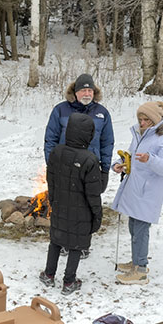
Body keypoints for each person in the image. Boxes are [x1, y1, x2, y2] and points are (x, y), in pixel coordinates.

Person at [111, 101, 163, 286]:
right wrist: (119, 163)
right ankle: (136, 261)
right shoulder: (141, 134)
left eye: (146, 119)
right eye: (140, 119)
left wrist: (150, 159)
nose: (141, 122)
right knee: (133, 227)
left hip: (148, 191)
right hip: (135, 188)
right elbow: (130, 154)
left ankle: (140, 270)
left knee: (140, 230)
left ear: (154, 120)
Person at [40, 113, 103, 294]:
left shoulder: (56, 152)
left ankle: (49, 274)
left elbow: (50, 180)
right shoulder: (90, 160)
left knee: (56, 240)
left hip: (60, 205)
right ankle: (69, 282)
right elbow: (93, 193)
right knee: (76, 244)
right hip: (81, 212)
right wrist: (96, 214)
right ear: (88, 134)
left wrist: (53, 201)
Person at [44, 73, 114, 192]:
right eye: (83, 90)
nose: (87, 94)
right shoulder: (60, 110)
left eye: (89, 90)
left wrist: (105, 170)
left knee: (88, 204)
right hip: (65, 167)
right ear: (75, 92)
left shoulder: (102, 113)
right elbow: (50, 140)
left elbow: (107, 142)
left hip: (91, 167)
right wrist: (51, 165)